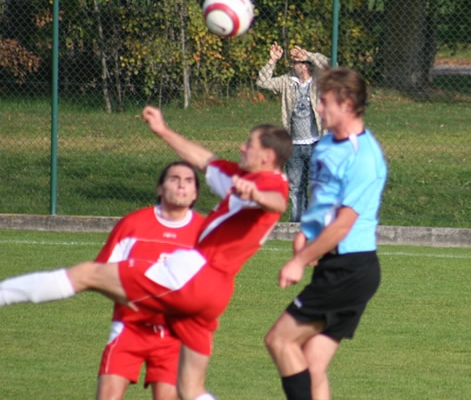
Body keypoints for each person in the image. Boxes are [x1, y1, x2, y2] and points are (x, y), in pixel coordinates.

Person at [0, 106, 292, 400]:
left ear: (267, 156)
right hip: (215, 293)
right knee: (191, 390)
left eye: (250, 144)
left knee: (87, 274)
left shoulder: (267, 184)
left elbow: (277, 203)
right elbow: (205, 160)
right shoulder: (243, 177)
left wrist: (255, 195)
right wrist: (163, 131)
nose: (242, 147)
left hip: (194, 276)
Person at [264, 68, 388, 400]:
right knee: (312, 366)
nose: (318, 108)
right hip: (339, 266)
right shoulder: (325, 145)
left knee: (279, 340)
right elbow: (323, 205)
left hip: (350, 268)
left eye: (325, 101)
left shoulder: (365, 157)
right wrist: (305, 233)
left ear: (347, 103)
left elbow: (342, 224)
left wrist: (299, 261)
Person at [95, 161, 206, 400]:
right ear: (159, 188)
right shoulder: (132, 224)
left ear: (195, 193)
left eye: (188, 181)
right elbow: (100, 273)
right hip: (129, 328)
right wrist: (125, 295)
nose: (181, 185)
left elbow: (210, 286)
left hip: (175, 336)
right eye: (174, 179)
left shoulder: (204, 232)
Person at [256, 42, 329, 221]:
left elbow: (329, 63)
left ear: (305, 65)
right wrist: (272, 61)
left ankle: (319, 224)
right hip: (294, 145)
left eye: (295, 62)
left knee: (320, 186)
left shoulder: (319, 80)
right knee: (296, 188)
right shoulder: (288, 81)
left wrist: (308, 54)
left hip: (317, 143)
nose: (291, 65)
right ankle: (297, 225)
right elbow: (262, 82)